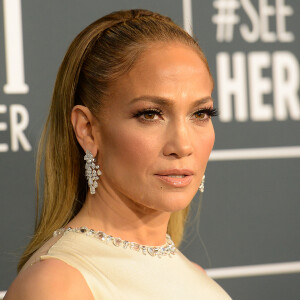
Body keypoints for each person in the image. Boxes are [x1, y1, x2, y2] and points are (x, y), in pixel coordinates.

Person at [5, 9, 232, 299]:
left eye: (200, 113)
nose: (183, 145)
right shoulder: (57, 286)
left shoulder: (195, 276)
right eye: (150, 114)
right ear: (87, 129)